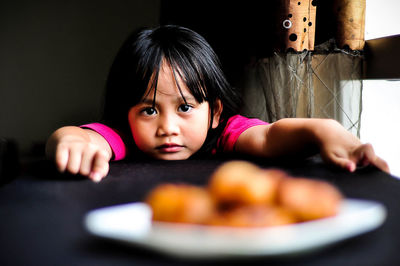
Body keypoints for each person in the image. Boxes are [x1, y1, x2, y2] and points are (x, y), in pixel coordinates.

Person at [45, 25, 389, 182]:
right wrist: (70, 141)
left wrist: (323, 130)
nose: (168, 128)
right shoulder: (123, 136)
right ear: (128, 114)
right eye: (149, 110)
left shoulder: (227, 133)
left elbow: (270, 137)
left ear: (215, 113)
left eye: (185, 107)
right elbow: (85, 138)